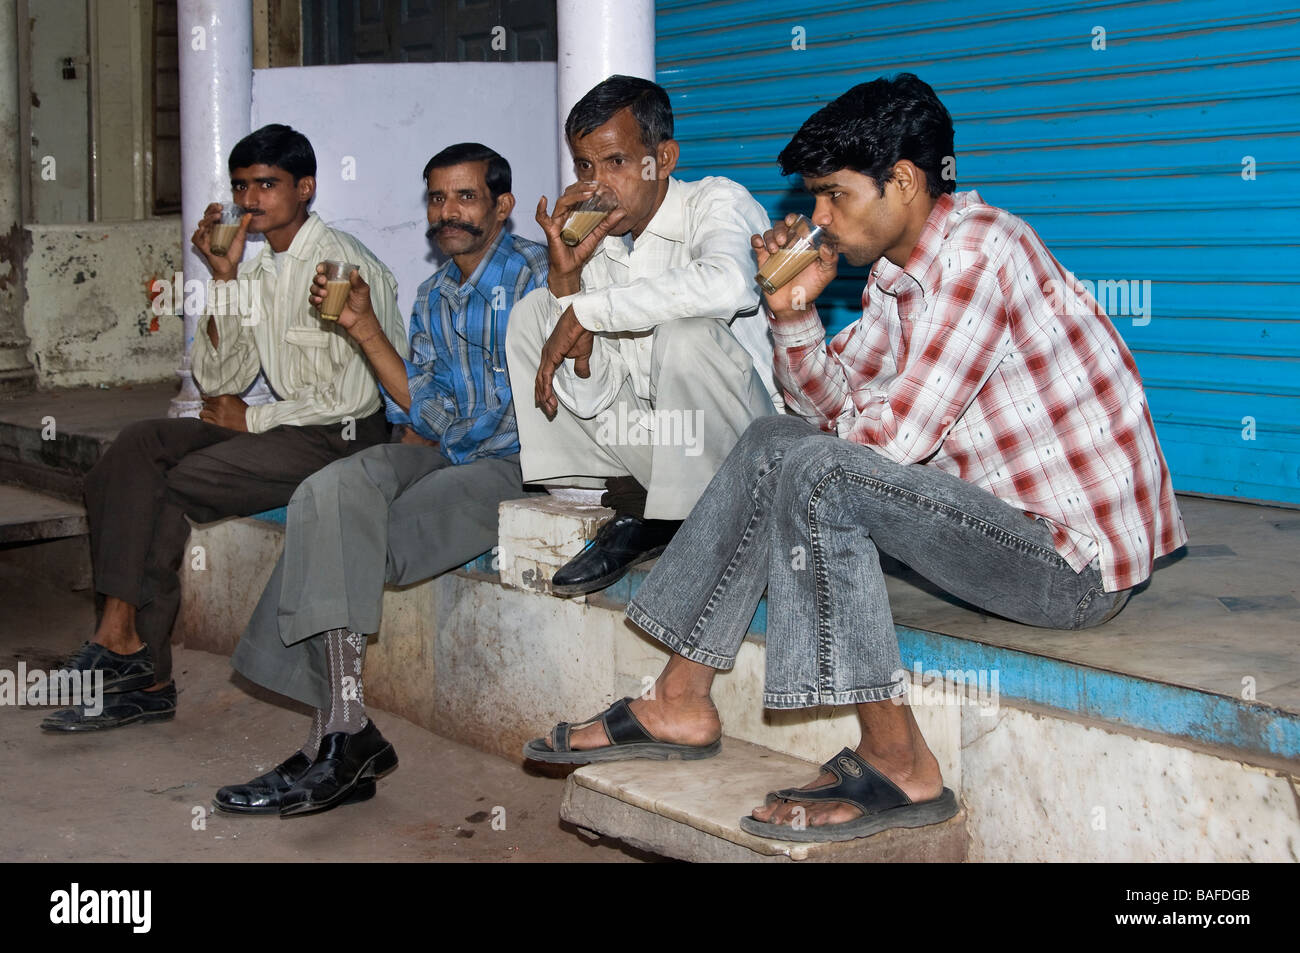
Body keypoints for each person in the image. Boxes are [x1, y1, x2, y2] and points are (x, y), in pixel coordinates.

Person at [522, 74, 1187, 843]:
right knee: (776, 441)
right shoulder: (896, 276)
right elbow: (819, 408)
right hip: (999, 531)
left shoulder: (982, 253)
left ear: (902, 181)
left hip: (1069, 567)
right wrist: (795, 315)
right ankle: (680, 696)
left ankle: (899, 761)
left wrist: (815, 454)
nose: (818, 219)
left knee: (820, 470)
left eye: (834, 196)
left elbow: (886, 447)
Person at [212, 143, 547, 817]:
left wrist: (417, 418)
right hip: (445, 449)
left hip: (519, 467)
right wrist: (364, 329)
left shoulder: (539, 277)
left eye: (465, 196)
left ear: (503, 206)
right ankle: (343, 729)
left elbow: (499, 414)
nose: (446, 212)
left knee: (350, 535)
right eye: (436, 198)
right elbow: (418, 407)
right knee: (327, 491)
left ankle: (334, 736)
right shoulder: (433, 296)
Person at [43, 124, 405, 732]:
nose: (252, 199)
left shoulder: (342, 265)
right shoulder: (259, 274)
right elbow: (220, 377)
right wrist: (223, 279)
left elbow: (354, 394)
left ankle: (138, 668)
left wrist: (252, 417)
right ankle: (120, 639)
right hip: (284, 430)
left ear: (306, 188)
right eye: (243, 186)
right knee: (135, 449)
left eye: (268, 184)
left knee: (171, 481)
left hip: (342, 437)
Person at [506, 75, 780, 598]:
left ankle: (677, 524)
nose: (598, 184)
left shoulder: (717, 202)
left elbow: (730, 283)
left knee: (686, 334)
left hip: (743, 452)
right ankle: (626, 503)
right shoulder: (600, 242)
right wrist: (565, 286)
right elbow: (593, 396)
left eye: (617, 162)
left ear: (664, 158)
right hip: (661, 446)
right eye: (585, 166)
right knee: (532, 314)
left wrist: (587, 310)